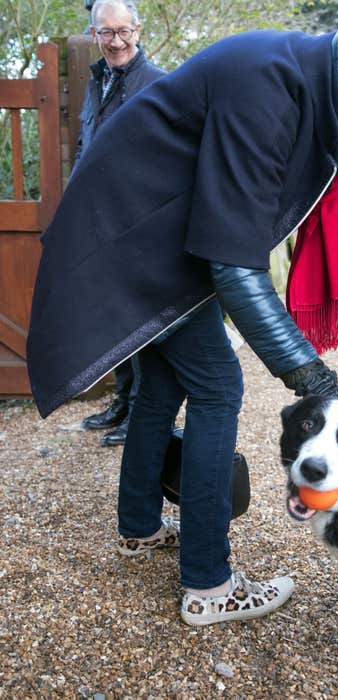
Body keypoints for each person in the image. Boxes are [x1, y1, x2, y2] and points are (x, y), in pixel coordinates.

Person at [27, 3, 338, 626]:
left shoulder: (293, 74)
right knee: (218, 386)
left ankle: (139, 526)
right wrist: (315, 381)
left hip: (141, 239)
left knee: (166, 382)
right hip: (134, 245)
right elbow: (234, 264)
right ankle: (209, 582)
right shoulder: (267, 84)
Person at [77, 0, 165, 446]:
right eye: (106, 33)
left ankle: (143, 416)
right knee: (115, 320)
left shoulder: (159, 84)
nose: (115, 42)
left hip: (140, 229)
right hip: (100, 225)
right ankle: (123, 402)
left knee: (142, 326)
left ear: (138, 30)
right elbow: (85, 147)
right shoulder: (97, 81)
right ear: (94, 34)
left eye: (123, 32)